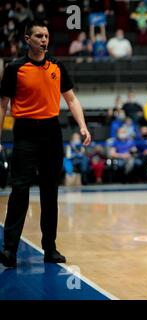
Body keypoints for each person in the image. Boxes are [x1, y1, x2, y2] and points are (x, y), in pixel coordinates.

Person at [0, 21, 91, 268]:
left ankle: (49, 248)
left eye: (46, 36)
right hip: (25, 133)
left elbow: (71, 100)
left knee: (50, 193)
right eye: (38, 36)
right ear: (27, 39)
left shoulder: (57, 66)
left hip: (51, 132)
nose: (44, 40)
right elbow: (3, 105)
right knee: (19, 191)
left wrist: (82, 125)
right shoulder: (15, 68)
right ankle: (9, 250)